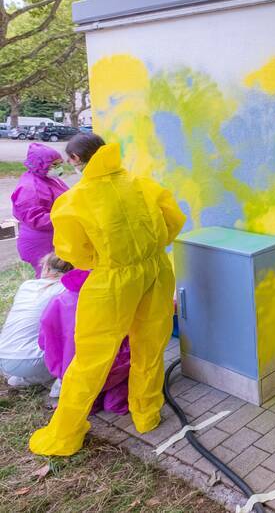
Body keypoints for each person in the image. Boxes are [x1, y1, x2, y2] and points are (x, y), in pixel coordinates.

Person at [28, 133, 185, 457]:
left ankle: (66, 433)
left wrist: (104, 261)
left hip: (111, 281)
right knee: (150, 346)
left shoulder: (74, 200)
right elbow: (174, 221)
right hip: (156, 270)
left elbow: (72, 252)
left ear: (76, 160)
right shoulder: (143, 185)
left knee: (90, 357)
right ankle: (146, 414)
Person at [40, 269, 130, 415]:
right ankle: (116, 399)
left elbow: (43, 342)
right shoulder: (108, 298)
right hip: (108, 372)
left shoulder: (58, 301)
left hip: (72, 374)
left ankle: (92, 402)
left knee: (89, 392)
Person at [0, 253, 72, 388]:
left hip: (3, 354)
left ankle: (20, 375)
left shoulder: (26, 285)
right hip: (30, 360)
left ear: (47, 268)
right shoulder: (66, 289)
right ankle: (36, 379)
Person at [11, 144, 69, 276]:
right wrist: (69, 215)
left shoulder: (48, 178)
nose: (59, 168)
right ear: (40, 165)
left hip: (52, 238)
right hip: (41, 244)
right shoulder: (30, 188)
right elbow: (37, 220)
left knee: (61, 278)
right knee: (50, 280)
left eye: (60, 163)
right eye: (54, 165)